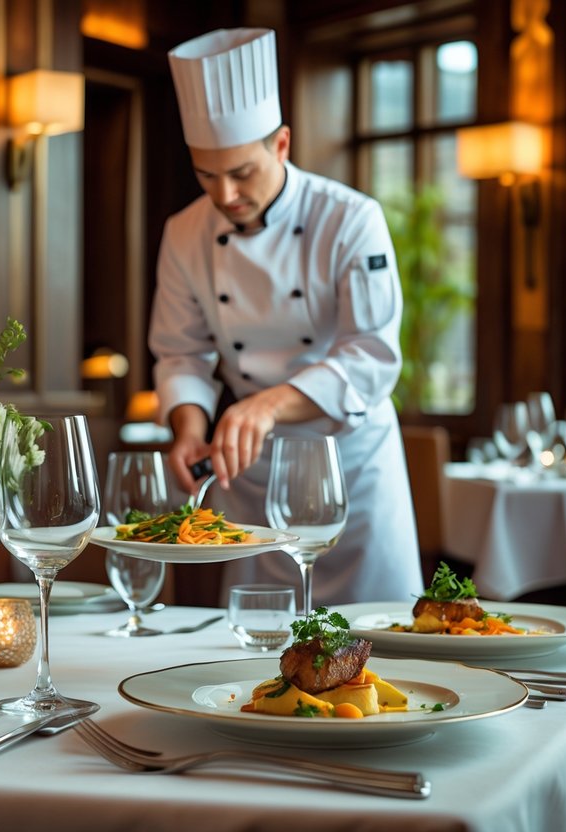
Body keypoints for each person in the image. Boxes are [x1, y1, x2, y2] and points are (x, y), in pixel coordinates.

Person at [150, 28, 423, 607]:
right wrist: (190, 427)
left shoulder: (351, 219)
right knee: (256, 653)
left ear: (281, 145)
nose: (224, 194)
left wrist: (267, 404)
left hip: (350, 464)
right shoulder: (184, 232)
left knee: (377, 650)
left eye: (241, 172)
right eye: (206, 174)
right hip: (250, 472)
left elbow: (371, 357)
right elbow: (181, 351)